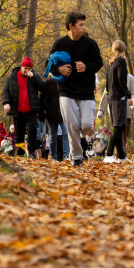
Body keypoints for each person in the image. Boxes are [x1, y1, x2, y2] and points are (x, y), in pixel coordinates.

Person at [48, 12, 103, 167]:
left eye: (84, 24)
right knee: (71, 125)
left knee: (86, 125)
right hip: (66, 91)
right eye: (81, 25)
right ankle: (77, 157)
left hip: (86, 91)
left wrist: (86, 67)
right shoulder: (59, 44)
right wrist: (59, 69)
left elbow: (98, 63)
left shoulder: (90, 44)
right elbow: (49, 65)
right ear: (71, 26)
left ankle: (80, 146)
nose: (84, 28)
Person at [2, 56, 45, 158]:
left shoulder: (34, 76)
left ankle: (31, 152)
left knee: (32, 130)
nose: (27, 70)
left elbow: (43, 87)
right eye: (25, 68)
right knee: (19, 133)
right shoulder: (12, 77)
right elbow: (5, 92)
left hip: (31, 110)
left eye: (29, 69)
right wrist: (6, 103)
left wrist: (33, 77)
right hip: (18, 110)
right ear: (21, 67)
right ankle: (20, 154)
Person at [103, 40, 131, 163]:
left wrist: (109, 95)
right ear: (123, 51)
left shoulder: (110, 63)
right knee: (119, 126)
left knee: (119, 126)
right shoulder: (121, 61)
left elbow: (107, 82)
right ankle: (109, 154)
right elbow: (121, 79)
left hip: (112, 98)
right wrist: (128, 95)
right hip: (119, 98)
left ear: (113, 50)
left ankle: (121, 156)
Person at [98, 70, 134, 158]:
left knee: (124, 134)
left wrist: (133, 103)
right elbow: (106, 94)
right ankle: (119, 155)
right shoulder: (112, 77)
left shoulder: (130, 78)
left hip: (127, 110)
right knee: (118, 131)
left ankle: (119, 155)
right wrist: (101, 109)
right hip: (114, 110)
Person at [40, 76, 70, 162]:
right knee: (52, 136)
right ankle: (53, 157)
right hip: (51, 114)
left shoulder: (65, 80)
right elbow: (42, 98)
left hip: (64, 113)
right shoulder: (48, 83)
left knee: (65, 134)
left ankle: (66, 155)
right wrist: (42, 113)